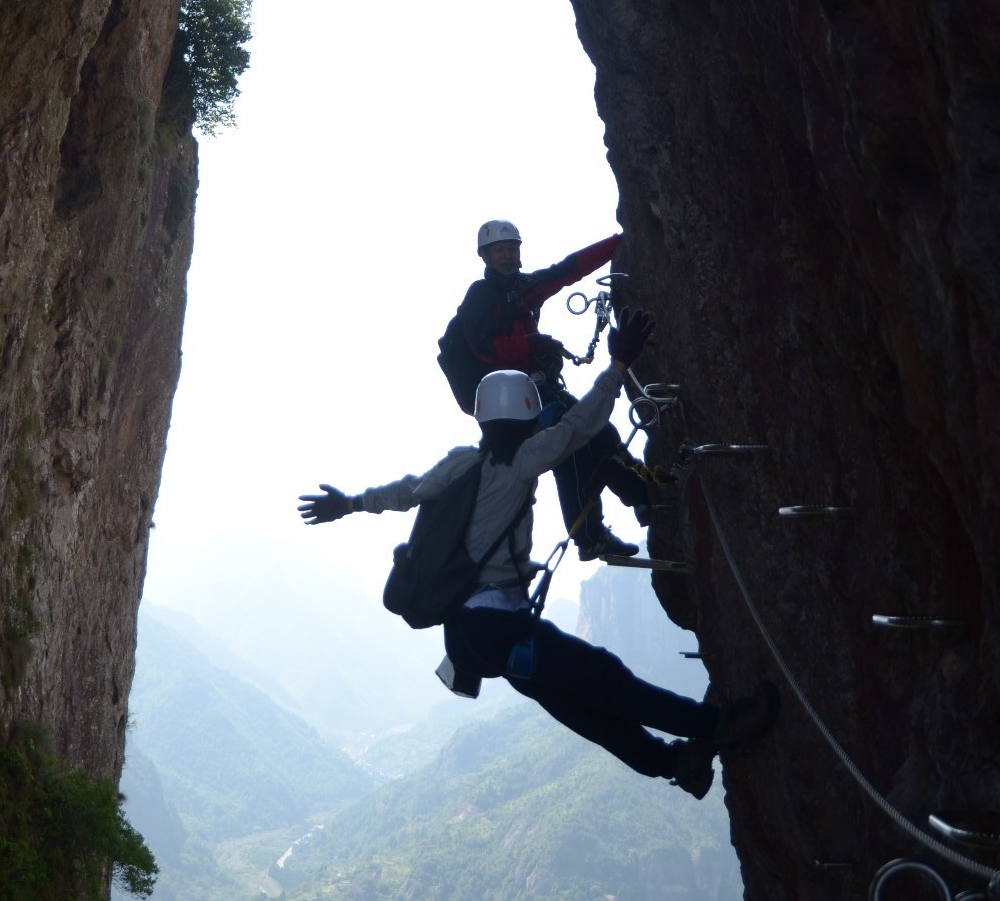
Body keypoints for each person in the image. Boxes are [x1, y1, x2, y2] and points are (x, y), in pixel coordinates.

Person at [300, 308, 779, 796]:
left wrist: (350, 504)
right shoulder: (523, 461)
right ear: (528, 418)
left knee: (585, 709)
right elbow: (577, 426)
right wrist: (616, 368)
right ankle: (718, 727)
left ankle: (679, 763)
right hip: (499, 630)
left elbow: (406, 491)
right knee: (606, 682)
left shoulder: (462, 463)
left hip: (474, 637)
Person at [437, 218, 652, 560]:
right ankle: (589, 535)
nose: (507, 256)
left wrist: (620, 242)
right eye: (499, 252)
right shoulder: (481, 295)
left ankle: (644, 496)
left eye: (511, 249)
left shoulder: (522, 289)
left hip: (534, 390)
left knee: (600, 431)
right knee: (571, 450)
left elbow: (567, 270)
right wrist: (532, 344)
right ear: (486, 258)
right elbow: (484, 348)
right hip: (508, 403)